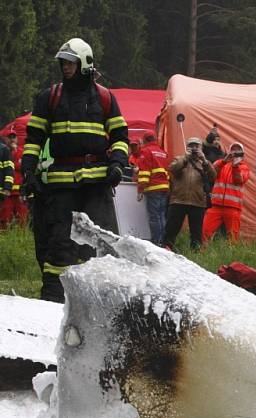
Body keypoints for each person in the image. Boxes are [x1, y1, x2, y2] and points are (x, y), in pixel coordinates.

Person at [20, 37, 128, 303]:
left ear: (85, 63)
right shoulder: (50, 97)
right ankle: (53, 301)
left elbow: (120, 136)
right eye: (63, 63)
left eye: (70, 63)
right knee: (58, 246)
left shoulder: (104, 98)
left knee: (101, 245)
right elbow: (34, 139)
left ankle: (101, 302)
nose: (65, 68)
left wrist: (117, 163)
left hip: (96, 185)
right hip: (61, 187)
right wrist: (29, 172)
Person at [164, 137, 216, 252]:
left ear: (200, 148)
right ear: (187, 147)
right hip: (178, 200)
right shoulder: (179, 159)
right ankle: (166, 250)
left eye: (196, 146)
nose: (194, 148)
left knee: (196, 233)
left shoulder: (204, 163)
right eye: (191, 146)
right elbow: (172, 169)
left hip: (197, 202)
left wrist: (205, 161)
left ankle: (195, 254)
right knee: (171, 230)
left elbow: (213, 176)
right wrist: (185, 158)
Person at [202, 142, 250, 243]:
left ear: (242, 155)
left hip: (233, 208)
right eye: (233, 150)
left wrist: (235, 167)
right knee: (205, 232)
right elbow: (211, 172)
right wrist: (224, 161)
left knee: (232, 238)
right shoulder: (221, 163)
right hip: (216, 206)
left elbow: (239, 180)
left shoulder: (244, 167)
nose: (235, 153)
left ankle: (231, 257)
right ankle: (201, 254)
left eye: (238, 151)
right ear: (229, 152)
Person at [136, 131, 170, 246]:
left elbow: (144, 173)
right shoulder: (163, 152)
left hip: (153, 188)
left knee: (154, 217)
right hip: (164, 188)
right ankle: (163, 242)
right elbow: (167, 172)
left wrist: (140, 190)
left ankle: (156, 242)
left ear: (145, 140)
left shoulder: (145, 151)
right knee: (161, 216)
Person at [0, 134, 28, 227]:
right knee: (4, 219)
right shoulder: (3, 151)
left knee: (22, 219)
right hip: (6, 192)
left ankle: (22, 240)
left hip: (20, 192)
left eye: (14, 137)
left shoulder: (22, 152)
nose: (12, 140)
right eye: (9, 137)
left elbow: (25, 169)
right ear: (5, 138)